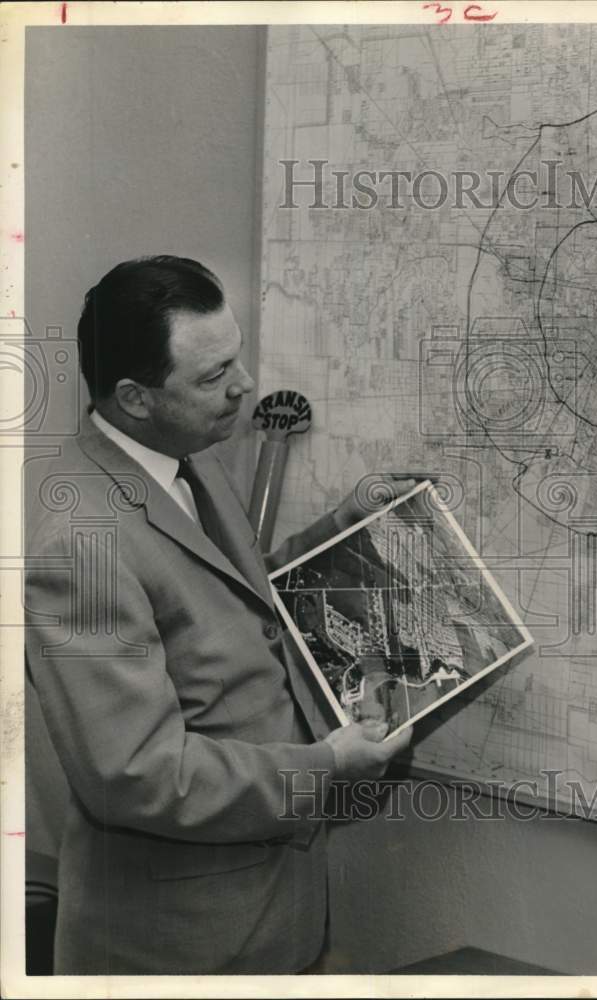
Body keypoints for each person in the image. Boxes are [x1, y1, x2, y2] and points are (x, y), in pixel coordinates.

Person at [24, 255, 414, 975]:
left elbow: (234, 598)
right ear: (136, 397)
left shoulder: (183, 452)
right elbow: (138, 775)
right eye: (213, 377)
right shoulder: (79, 545)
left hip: (270, 920)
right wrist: (326, 766)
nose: (243, 387)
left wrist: (344, 523)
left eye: (235, 360)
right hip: (176, 951)